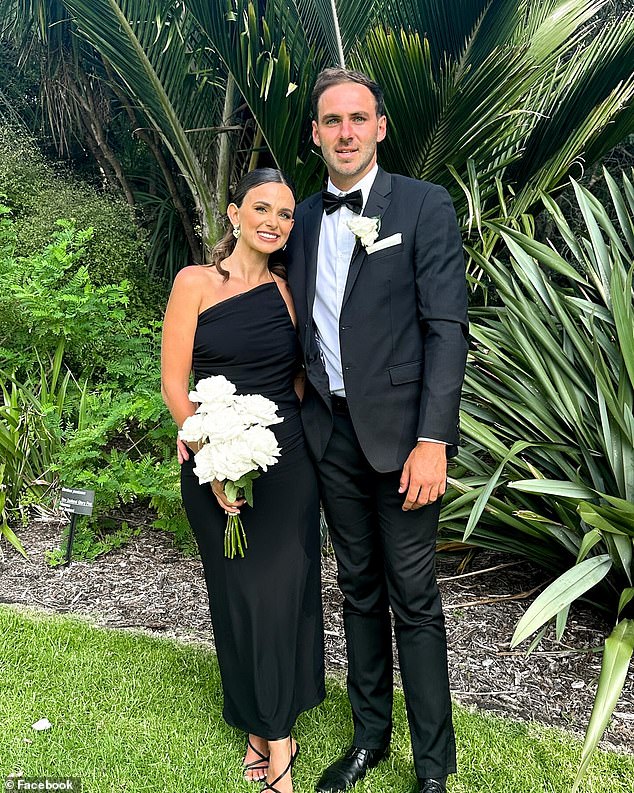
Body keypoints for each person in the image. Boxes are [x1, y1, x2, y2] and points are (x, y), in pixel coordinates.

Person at [285, 68, 468, 793]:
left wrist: (434, 439)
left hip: (403, 442)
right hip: (328, 434)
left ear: (381, 127)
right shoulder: (300, 220)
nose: (346, 132)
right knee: (357, 588)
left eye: (359, 118)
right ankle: (369, 739)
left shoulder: (423, 206)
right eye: (333, 121)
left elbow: (446, 331)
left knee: (413, 598)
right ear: (316, 134)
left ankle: (432, 769)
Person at [162, 168, 325, 793]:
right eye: (262, 209)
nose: (274, 222)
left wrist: (288, 438)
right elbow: (175, 382)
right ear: (234, 213)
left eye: (285, 215)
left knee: (281, 595)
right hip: (213, 458)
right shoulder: (195, 283)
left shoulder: (288, 292)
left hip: (285, 462)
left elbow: (299, 380)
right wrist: (210, 453)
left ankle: (272, 736)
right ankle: (264, 727)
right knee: (239, 596)